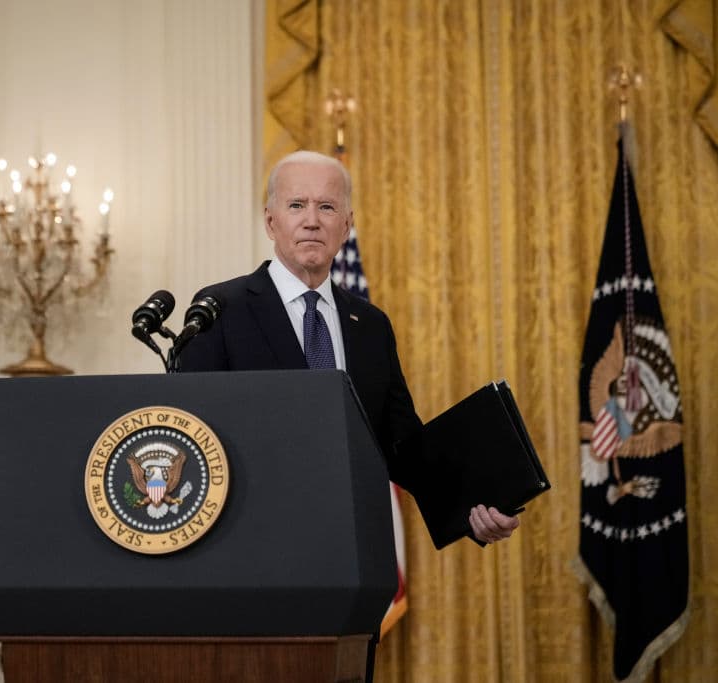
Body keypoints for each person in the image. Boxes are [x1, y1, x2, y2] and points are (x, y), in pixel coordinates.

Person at [179, 150, 519, 541]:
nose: (311, 221)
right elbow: (195, 437)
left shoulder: (371, 325)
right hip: (255, 544)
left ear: (346, 224)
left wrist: (477, 507)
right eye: (296, 205)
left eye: (326, 206)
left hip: (354, 547)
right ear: (271, 221)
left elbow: (404, 447)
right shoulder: (220, 310)